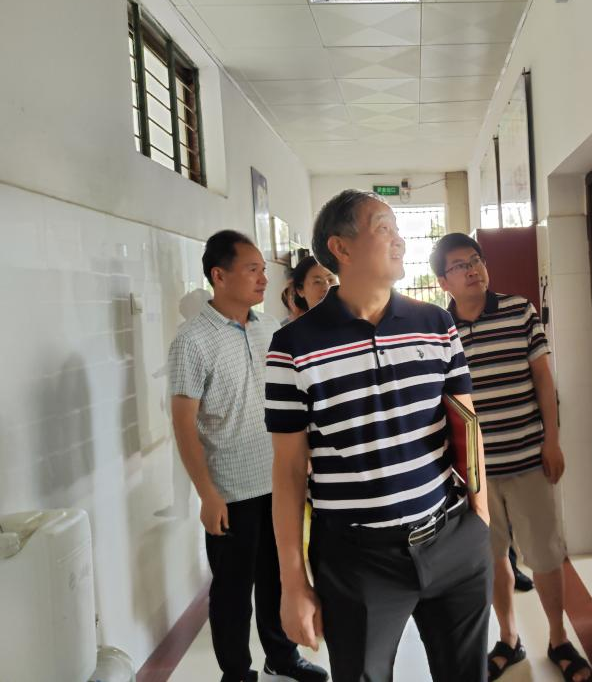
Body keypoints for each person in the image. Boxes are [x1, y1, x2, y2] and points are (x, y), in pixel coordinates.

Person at [265, 190, 493, 682]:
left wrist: (480, 517)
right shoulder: (293, 347)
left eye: (397, 229)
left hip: (452, 538)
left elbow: (466, 422)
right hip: (357, 560)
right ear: (341, 248)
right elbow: (288, 470)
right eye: (384, 228)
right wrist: (292, 582)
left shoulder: (435, 324)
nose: (399, 240)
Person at [431, 233, 592, 682]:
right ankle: (509, 638)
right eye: (460, 265)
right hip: (475, 476)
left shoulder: (520, 310)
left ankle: (558, 638)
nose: (472, 270)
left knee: (545, 555)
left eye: (476, 260)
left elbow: (543, 380)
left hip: (527, 459)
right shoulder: (439, 330)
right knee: (492, 558)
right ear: (443, 281)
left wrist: (552, 441)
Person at [167, 230, 328, 682]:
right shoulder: (192, 341)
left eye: (262, 269)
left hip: (279, 481)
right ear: (220, 276)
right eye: (252, 269)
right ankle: (237, 673)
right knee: (233, 591)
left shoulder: (270, 329)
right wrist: (207, 494)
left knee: (279, 577)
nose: (263, 278)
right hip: (231, 489)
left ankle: (282, 656)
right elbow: (184, 425)